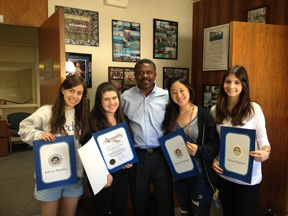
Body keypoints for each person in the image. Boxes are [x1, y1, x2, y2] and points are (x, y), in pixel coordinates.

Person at [18, 75, 111, 216]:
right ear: (62, 90)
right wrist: (39, 135)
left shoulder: (82, 116)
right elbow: (23, 128)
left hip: (74, 175)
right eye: (71, 91)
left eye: (79, 93)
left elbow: (88, 145)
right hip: (50, 175)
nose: (75, 96)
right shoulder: (47, 111)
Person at [211, 65, 271, 216]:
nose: (231, 86)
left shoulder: (254, 109)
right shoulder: (214, 110)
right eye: (228, 81)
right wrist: (214, 159)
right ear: (223, 84)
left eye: (237, 82)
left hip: (248, 178)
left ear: (244, 85)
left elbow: (263, 139)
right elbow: (214, 143)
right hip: (224, 175)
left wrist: (266, 152)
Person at [121, 59, 173, 216]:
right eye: (141, 72)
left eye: (149, 72)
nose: (145, 76)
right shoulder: (125, 97)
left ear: (155, 75)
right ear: (135, 75)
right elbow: (121, 126)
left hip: (161, 155)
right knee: (139, 199)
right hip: (138, 157)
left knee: (165, 199)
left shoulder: (167, 96)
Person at [162, 76, 219, 216]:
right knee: (184, 212)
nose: (178, 96)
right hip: (179, 176)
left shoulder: (204, 115)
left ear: (189, 89)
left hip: (200, 176)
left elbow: (215, 146)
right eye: (173, 92)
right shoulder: (169, 115)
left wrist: (199, 150)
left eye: (182, 90)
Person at [88, 82, 132, 216]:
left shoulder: (124, 119)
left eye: (114, 98)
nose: (111, 102)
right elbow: (88, 155)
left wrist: (129, 159)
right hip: (102, 176)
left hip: (122, 173)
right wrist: (101, 175)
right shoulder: (91, 122)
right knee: (103, 210)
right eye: (106, 99)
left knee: (120, 208)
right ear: (99, 101)